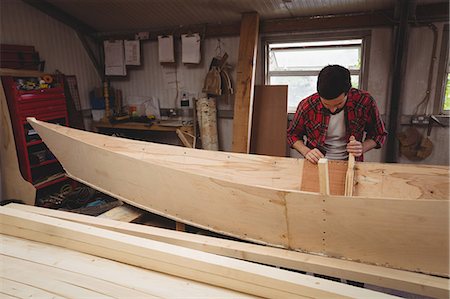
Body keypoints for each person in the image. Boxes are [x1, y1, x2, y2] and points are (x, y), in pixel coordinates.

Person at [287, 65, 387, 164]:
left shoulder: (364, 101)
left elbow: (378, 134)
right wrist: (307, 152)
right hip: (316, 164)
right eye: (326, 104)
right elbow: (292, 135)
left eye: (338, 104)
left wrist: (361, 147)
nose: (332, 109)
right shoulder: (308, 105)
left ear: (348, 92)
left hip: (351, 163)